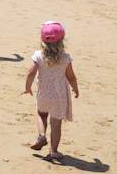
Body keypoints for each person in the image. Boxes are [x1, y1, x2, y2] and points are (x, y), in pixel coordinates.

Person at [23, 21, 79, 162]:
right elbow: (71, 76)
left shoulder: (38, 55)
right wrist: (75, 89)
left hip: (44, 94)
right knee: (56, 124)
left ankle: (42, 135)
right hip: (60, 96)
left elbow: (31, 73)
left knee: (41, 114)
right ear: (62, 40)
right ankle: (54, 151)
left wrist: (28, 87)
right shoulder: (65, 58)